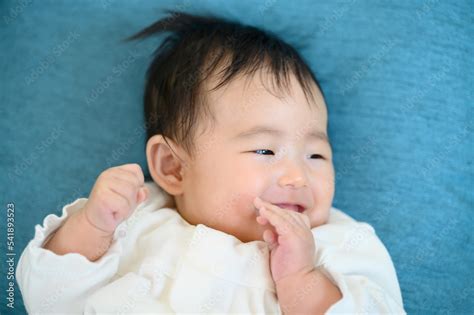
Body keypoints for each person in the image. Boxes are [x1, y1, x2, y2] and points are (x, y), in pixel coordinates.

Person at [16, 11, 405, 314]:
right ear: (173, 167)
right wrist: (90, 228)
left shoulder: (339, 244)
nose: (297, 176)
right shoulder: (134, 220)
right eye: (266, 151)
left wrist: (303, 280)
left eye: (316, 155)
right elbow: (47, 299)